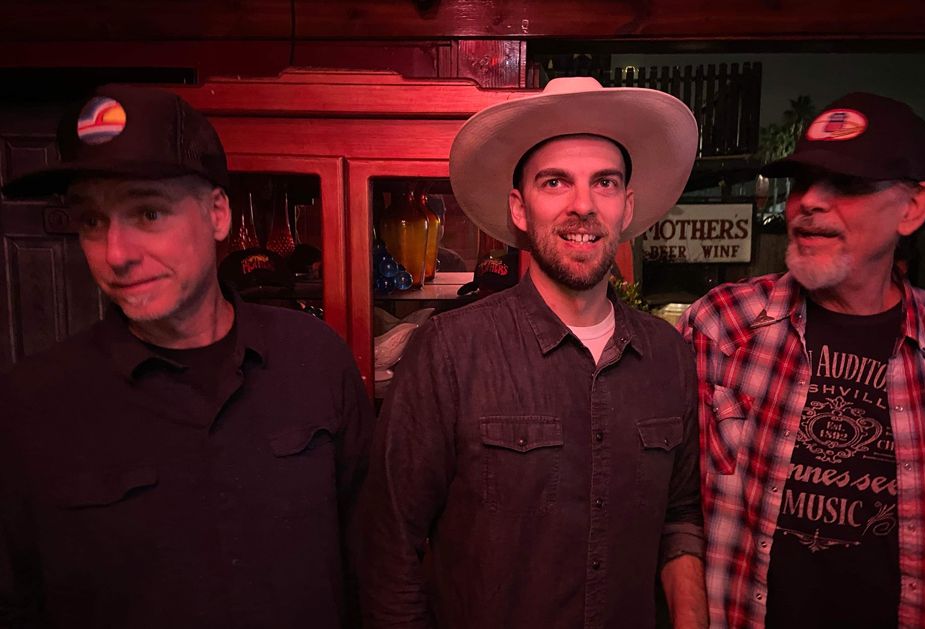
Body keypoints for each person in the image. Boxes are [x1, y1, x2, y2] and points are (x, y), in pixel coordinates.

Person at [0, 85, 372, 629]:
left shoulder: (315, 358)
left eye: (148, 213)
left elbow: (371, 558)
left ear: (217, 214)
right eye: (92, 221)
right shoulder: (31, 403)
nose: (116, 254)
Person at [360, 77, 708, 629]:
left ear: (626, 207)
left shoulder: (668, 356)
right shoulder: (450, 352)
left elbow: (679, 517)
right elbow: (388, 546)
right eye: (555, 182)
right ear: (520, 209)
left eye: (605, 183)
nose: (583, 205)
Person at [679, 92, 925, 628]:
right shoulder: (721, 325)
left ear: (913, 208)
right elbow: (672, 508)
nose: (809, 202)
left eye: (847, 185)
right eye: (803, 182)